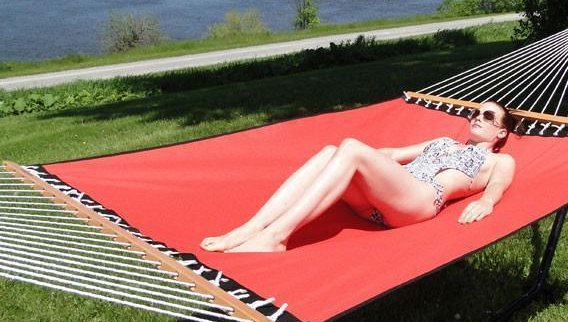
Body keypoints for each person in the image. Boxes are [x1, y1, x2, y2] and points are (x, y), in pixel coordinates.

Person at [200, 101, 516, 252]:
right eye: (474, 112)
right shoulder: (444, 141)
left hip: (420, 200)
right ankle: (253, 227)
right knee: (329, 151)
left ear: (501, 131)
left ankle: (275, 238)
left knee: (350, 148)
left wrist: (487, 202)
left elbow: (499, 183)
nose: (477, 117)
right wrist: (348, 160)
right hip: (383, 201)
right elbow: (392, 155)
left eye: (488, 116)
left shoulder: (498, 159)